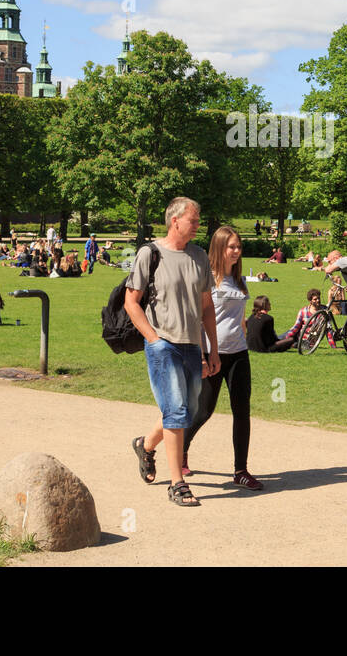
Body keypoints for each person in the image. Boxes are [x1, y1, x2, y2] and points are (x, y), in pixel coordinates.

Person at [128, 197, 221, 508]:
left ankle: (145, 445)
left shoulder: (199, 257)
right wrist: (153, 339)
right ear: (175, 221)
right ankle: (177, 484)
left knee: (186, 410)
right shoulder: (150, 254)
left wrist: (212, 349)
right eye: (193, 220)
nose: (197, 225)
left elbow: (207, 308)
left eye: (197, 220)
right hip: (163, 344)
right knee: (178, 410)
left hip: (192, 345)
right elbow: (131, 302)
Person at [182, 226, 263, 490]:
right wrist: (202, 357)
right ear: (219, 248)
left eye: (239, 246)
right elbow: (196, 319)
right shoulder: (206, 278)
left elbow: (240, 318)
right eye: (232, 247)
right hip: (210, 353)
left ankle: (241, 470)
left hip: (239, 354)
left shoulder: (240, 280)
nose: (237, 251)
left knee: (242, 412)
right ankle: (180, 451)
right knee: (204, 410)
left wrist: (245, 336)